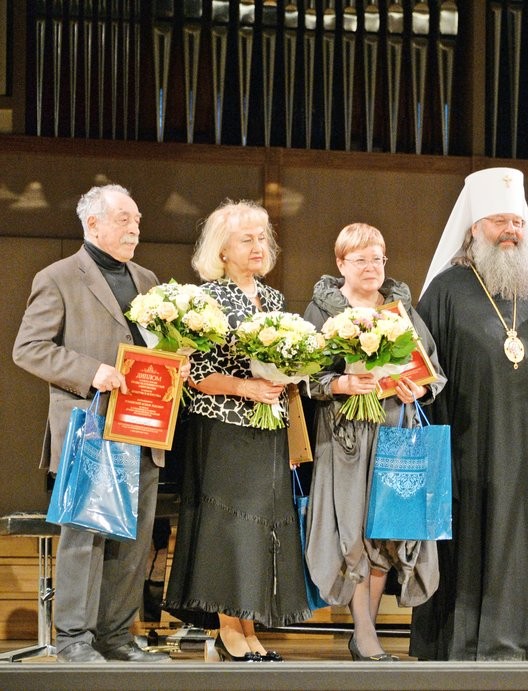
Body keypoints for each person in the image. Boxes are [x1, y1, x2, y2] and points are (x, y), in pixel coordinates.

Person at [409, 167, 528, 661]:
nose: (512, 231)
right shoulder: (446, 288)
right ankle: (465, 642)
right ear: (475, 227)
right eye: (501, 221)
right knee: (473, 537)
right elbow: (424, 369)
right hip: (469, 443)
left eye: (518, 222)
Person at [12, 183, 172, 663]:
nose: (135, 228)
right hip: (89, 428)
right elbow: (29, 348)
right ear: (92, 222)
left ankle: (117, 635)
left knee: (133, 537)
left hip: (142, 426)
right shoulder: (59, 277)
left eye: (138, 220)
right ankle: (74, 639)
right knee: (85, 536)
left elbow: (156, 347)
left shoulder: (148, 280)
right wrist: (91, 371)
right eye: (124, 218)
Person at [163, 200, 310, 662]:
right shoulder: (206, 299)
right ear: (221, 249)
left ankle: (249, 624)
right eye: (246, 239)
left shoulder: (273, 299)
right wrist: (248, 387)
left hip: (268, 430)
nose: (257, 246)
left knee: (261, 528)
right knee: (229, 526)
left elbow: (286, 366)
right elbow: (196, 374)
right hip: (224, 426)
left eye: (262, 238)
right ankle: (228, 627)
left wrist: (291, 375)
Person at [302, 222, 446, 661]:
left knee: (388, 529)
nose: (371, 266)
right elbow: (308, 376)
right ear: (341, 263)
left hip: (395, 433)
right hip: (346, 434)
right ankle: (362, 630)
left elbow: (432, 369)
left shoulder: (401, 308)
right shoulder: (324, 309)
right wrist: (344, 383)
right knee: (354, 530)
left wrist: (417, 389)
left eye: (378, 258)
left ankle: (368, 628)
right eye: (360, 258)